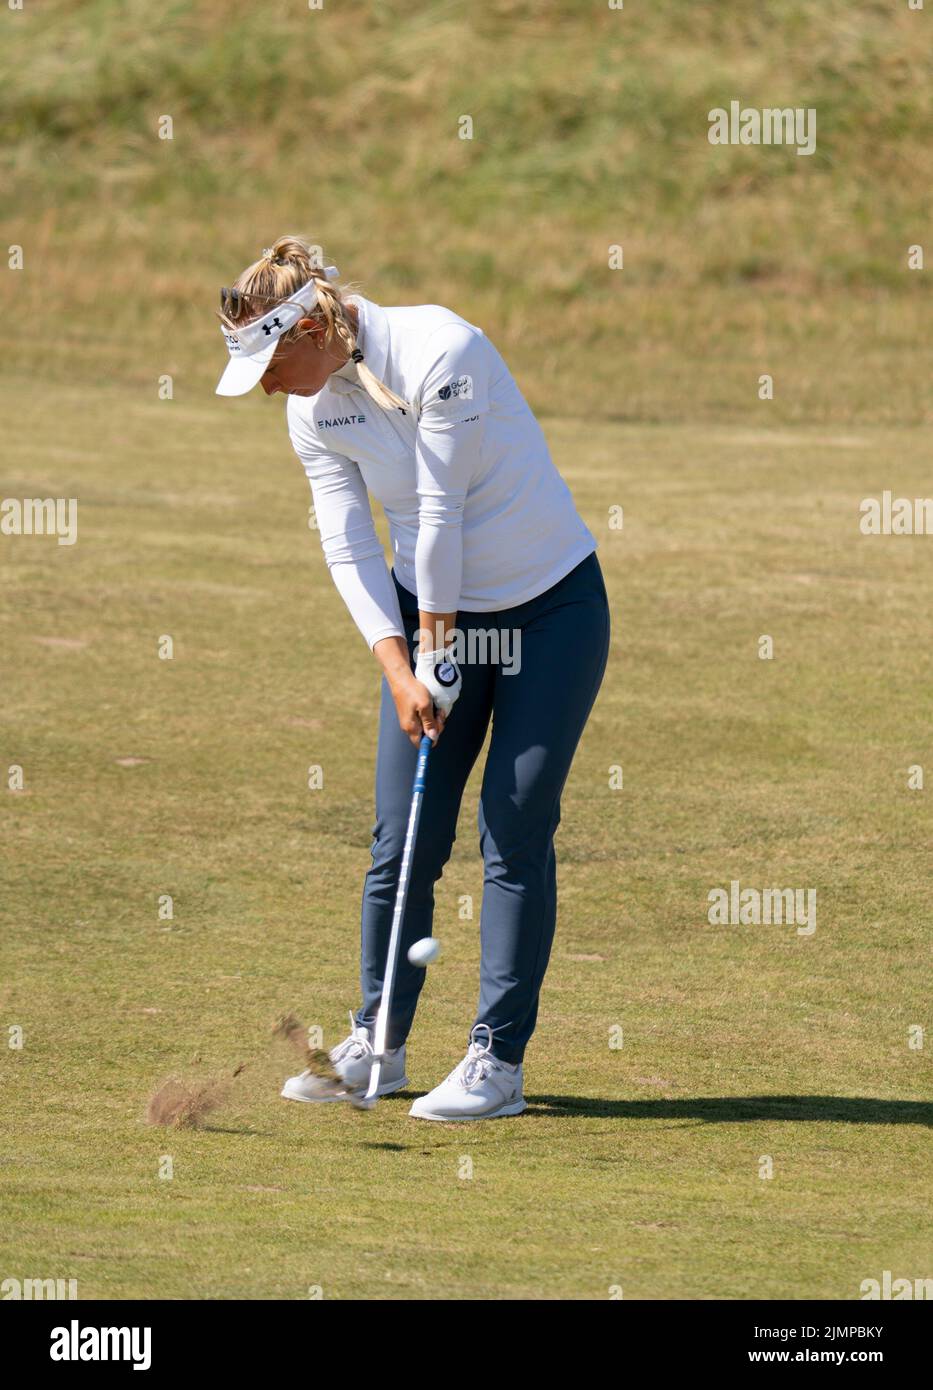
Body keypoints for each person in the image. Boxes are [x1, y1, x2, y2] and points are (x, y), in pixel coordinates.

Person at [216, 235, 610, 1120]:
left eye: (273, 365)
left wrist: (438, 649)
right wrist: (402, 668)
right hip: (434, 619)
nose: (269, 388)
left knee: (512, 829)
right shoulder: (312, 406)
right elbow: (347, 540)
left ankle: (496, 1062)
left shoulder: (444, 349)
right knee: (402, 839)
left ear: (314, 327)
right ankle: (378, 1044)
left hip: (548, 613)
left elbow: (439, 515)